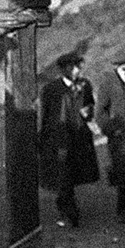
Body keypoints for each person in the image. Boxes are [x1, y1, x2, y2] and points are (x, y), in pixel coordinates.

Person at [39, 51, 99, 227]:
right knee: (63, 175)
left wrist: (90, 121)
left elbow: (89, 107)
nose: (76, 71)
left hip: (79, 138)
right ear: (64, 70)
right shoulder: (51, 89)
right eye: (72, 68)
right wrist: (45, 140)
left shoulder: (85, 85)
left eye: (78, 67)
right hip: (60, 140)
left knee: (73, 173)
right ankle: (70, 211)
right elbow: (47, 116)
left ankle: (65, 202)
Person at [93, 48, 125, 222]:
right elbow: (100, 112)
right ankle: (123, 211)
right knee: (123, 173)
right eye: (123, 64)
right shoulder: (108, 81)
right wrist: (110, 129)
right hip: (119, 136)